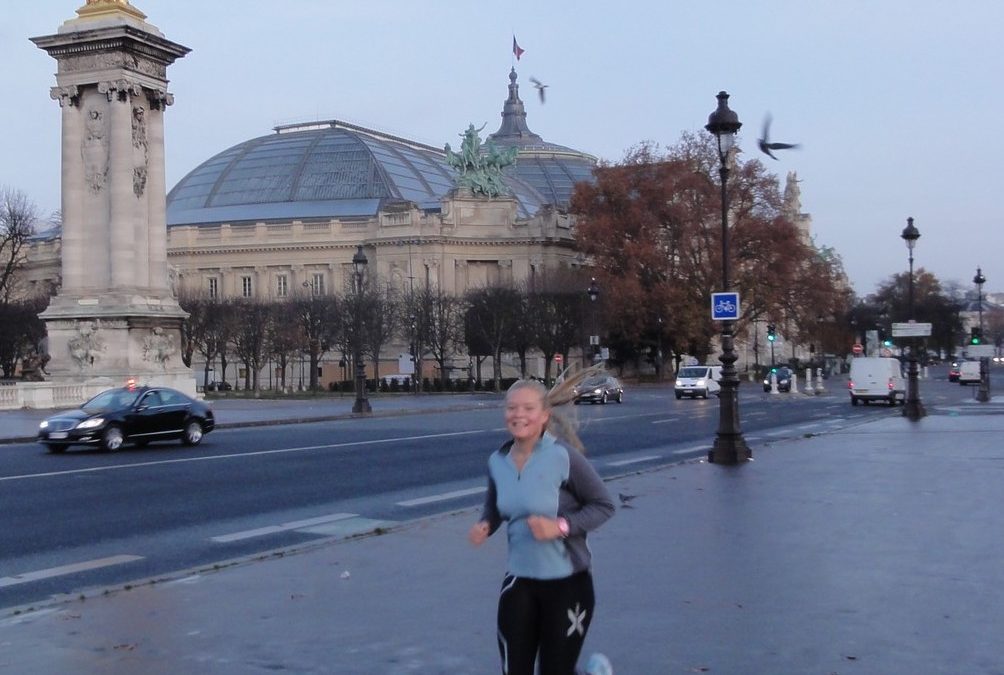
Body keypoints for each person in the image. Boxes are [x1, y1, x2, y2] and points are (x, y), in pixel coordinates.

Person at [469, 366, 616, 675]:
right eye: (511, 408)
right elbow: (495, 507)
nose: (518, 415)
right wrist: (486, 525)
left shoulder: (563, 457)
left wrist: (560, 526)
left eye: (528, 408)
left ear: (545, 415)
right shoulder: (498, 461)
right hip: (519, 582)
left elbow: (603, 505)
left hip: (568, 585)